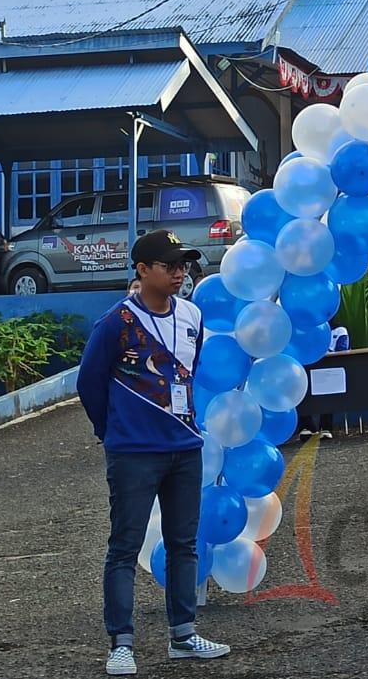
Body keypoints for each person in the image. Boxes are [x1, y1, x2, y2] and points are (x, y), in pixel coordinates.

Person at [77, 231, 229, 674]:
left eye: (183, 264)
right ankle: (121, 644)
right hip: (134, 453)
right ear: (142, 271)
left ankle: (183, 634)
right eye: (169, 265)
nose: (179, 272)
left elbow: (189, 373)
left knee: (184, 544)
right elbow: (89, 382)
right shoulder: (117, 322)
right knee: (124, 546)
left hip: (185, 448)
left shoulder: (193, 316)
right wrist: (113, 431)